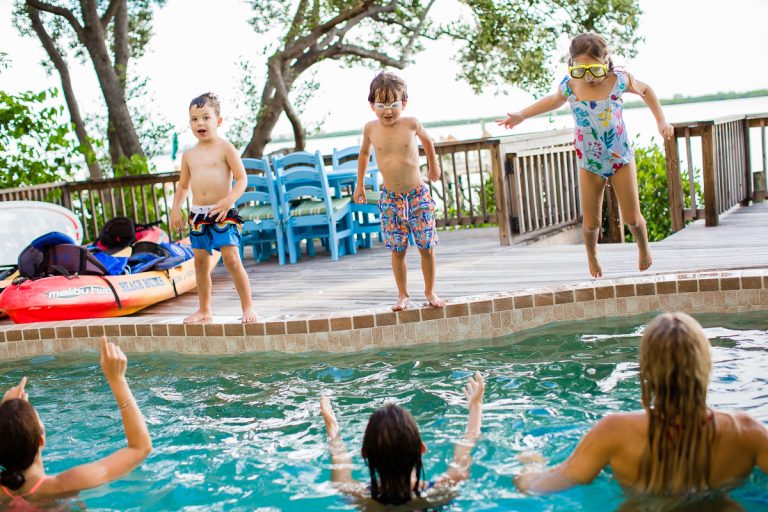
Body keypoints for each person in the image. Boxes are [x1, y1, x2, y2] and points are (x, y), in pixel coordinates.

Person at [514, 312, 768, 504]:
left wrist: (530, 464)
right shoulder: (748, 433)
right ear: (706, 366)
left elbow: (539, 487)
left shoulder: (614, 432)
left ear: (647, 371)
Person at [497, 32, 674, 278]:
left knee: (632, 218)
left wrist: (661, 121)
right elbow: (552, 101)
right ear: (572, 65)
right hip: (589, 161)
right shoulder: (571, 85)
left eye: (594, 70)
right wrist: (521, 115)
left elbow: (647, 90)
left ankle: (643, 247)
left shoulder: (619, 80)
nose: (588, 77)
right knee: (591, 224)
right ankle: (592, 254)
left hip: (620, 157)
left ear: (605, 62)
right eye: (580, 71)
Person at [0, 337, 152, 509]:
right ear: (41, 440)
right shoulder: (64, 485)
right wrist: (117, 379)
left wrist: (6, 416)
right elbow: (139, 448)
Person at [319, 372, 485, 508]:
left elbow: (341, 469)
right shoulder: (438, 491)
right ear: (421, 449)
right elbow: (465, 447)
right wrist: (475, 407)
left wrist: (333, 430)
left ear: (365, 454)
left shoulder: (360, 496)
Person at [353, 72, 446, 311]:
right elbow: (364, 154)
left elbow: (428, 142)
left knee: (426, 246)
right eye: (381, 105)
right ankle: (403, 295)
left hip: (418, 196)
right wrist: (360, 185)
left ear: (404, 103)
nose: (388, 111)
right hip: (391, 199)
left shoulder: (411, 123)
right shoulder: (370, 129)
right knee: (397, 250)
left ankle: (430, 291)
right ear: (372, 105)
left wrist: (434, 166)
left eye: (393, 104)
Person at [170, 92, 257, 324]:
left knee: (232, 260)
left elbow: (242, 179)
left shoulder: (225, 148)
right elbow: (183, 186)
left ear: (218, 121)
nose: (200, 123)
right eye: (194, 119)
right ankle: (204, 310)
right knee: (200, 263)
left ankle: (248, 307)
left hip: (223, 212)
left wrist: (229, 200)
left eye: (205, 117)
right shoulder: (189, 155)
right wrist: (175, 209)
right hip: (198, 215)